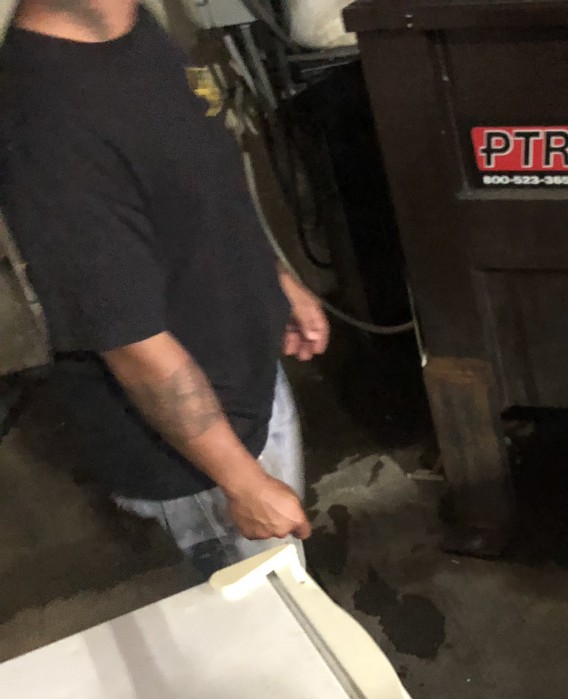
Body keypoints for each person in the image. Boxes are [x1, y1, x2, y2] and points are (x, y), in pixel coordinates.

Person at [0, 0, 329, 575]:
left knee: (284, 581)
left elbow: (200, 187)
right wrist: (242, 481)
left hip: (245, 385)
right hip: (195, 455)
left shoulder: (133, 28)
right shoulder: (45, 124)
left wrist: (274, 282)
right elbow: (130, 340)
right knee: (254, 604)